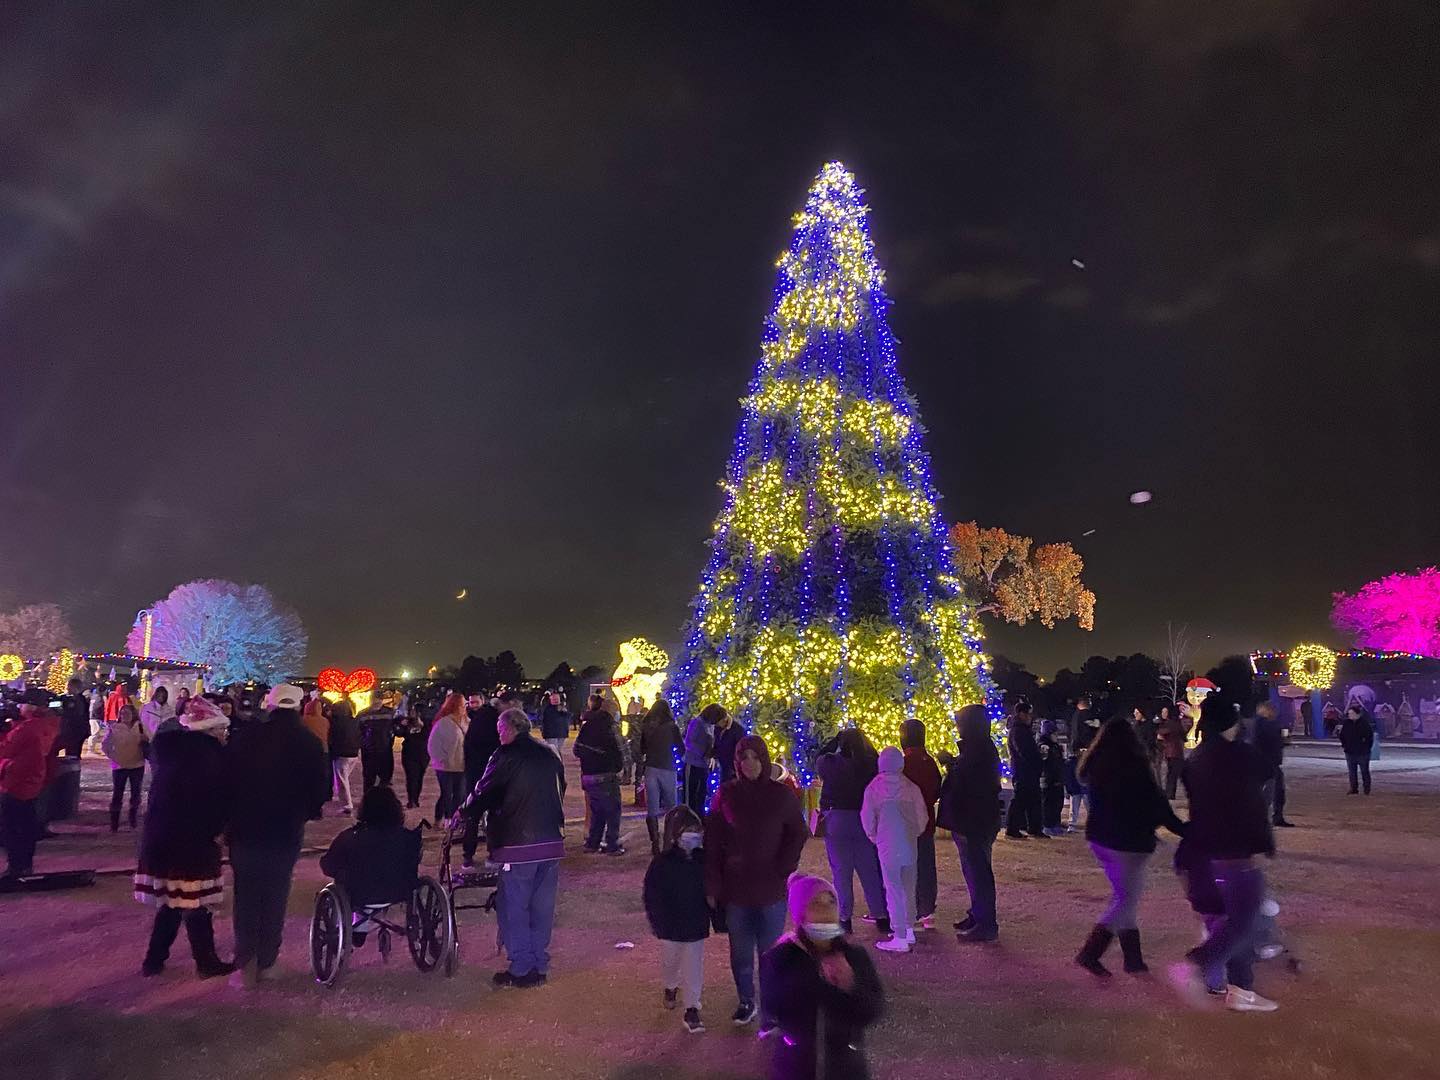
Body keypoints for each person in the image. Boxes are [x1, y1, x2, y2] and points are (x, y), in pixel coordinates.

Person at [1170, 695, 1278, 1012]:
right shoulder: (1235, 755)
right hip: (1234, 852)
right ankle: (1200, 963)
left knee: (1237, 921)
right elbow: (1268, 769)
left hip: (1203, 851)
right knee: (1245, 923)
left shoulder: (1199, 757)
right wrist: (1251, 735)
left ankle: (1240, 989)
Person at [223, 683, 331, 988]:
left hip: (244, 828)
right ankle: (268, 961)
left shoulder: (246, 737)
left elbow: (225, 780)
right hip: (284, 830)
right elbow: (321, 789)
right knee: (275, 892)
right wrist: (306, 810)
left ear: (269, 706)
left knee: (245, 894)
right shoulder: (308, 742)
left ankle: (245, 961)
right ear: (297, 707)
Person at [454, 706, 566, 989]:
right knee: (542, 906)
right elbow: (559, 789)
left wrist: (463, 813)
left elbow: (484, 791)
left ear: (506, 730)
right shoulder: (549, 755)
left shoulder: (505, 755)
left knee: (513, 904)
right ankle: (539, 962)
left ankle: (522, 967)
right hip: (552, 841)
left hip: (518, 844)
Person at [704, 735, 808, 1034]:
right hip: (737, 891)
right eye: (743, 758)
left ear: (763, 759)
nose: (749, 763)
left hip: (770, 890)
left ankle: (772, 1008)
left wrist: (784, 866)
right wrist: (713, 882)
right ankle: (747, 1000)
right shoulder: (726, 795)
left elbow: (797, 832)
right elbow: (713, 841)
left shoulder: (781, 796)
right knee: (740, 954)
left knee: (770, 954)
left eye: (754, 757)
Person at [1074, 716, 1185, 977]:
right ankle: (1091, 953)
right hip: (1129, 844)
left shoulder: (1094, 766)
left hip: (1101, 840)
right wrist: (1187, 831)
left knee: (1125, 897)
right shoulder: (1136, 768)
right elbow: (1159, 808)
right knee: (1125, 899)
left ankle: (1133, 960)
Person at [133, 697, 234, 978]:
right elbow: (214, 801)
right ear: (209, 729)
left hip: (162, 837)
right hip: (192, 841)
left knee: (171, 902)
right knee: (195, 903)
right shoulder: (209, 758)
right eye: (221, 730)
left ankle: (154, 960)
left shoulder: (169, 751)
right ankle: (206, 961)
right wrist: (218, 830)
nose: (224, 735)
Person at [760, 873, 884, 1080]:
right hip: (796, 1069)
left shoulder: (854, 955)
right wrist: (819, 981)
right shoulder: (780, 956)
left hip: (847, 1069)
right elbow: (773, 1006)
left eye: (831, 902)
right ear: (800, 914)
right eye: (816, 903)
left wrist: (849, 985)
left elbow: (871, 1011)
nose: (826, 910)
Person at [936, 705, 1002, 943]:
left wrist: (951, 765)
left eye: (961, 722)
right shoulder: (978, 748)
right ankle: (978, 914)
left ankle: (986, 923)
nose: (957, 727)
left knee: (979, 871)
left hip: (975, 820)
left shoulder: (979, 750)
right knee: (972, 870)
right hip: (972, 819)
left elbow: (970, 783)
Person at [642, 805, 710, 1034]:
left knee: (693, 966)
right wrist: (657, 920)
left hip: (695, 924)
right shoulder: (663, 863)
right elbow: (651, 894)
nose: (693, 835)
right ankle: (670, 986)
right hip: (670, 925)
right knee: (671, 961)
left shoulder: (703, 861)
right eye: (687, 830)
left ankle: (692, 1007)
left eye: (696, 830)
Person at [814, 729, 888, 935]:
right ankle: (880, 914)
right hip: (863, 818)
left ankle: (844, 918)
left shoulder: (830, 763)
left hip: (836, 819)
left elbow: (819, 756)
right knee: (869, 870)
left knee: (841, 872)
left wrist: (833, 741)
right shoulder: (871, 764)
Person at [319, 785, 422, 921]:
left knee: (346, 877)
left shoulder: (350, 837)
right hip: (400, 890)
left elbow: (328, 867)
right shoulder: (408, 838)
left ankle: (356, 926)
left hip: (360, 893)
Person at [861, 746, 928, 953]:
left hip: (887, 843)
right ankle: (908, 928)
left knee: (893, 888)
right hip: (909, 843)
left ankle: (899, 934)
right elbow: (922, 817)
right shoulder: (911, 787)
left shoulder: (874, 788)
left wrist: (873, 835)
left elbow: (867, 817)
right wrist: (913, 832)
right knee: (909, 885)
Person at [0, 702, 59, 880]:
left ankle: (16, 866)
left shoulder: (26, 729)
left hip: (16, 782)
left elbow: (6, 749)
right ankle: (25, 865)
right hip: (33, 781)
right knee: (26, 826)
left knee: (12, 827)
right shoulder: (46, 725)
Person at [899, 719, 942, 929]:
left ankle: (913, 910)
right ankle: (927, 910)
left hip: (906, 824)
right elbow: (936, 789)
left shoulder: (903, 762)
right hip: (926, 821)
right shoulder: (929, 761)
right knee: (926, 864)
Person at [574, 693, 626, 855]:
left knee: (597, 810)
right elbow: (621, 751)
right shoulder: (611, 727)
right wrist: (620, 768)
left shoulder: (587, 725)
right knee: (612, 811)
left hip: (589, 775)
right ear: (612, 712)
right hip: (607, 774)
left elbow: (577, 749)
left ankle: (592, 843)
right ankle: (612, 844)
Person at [639, 698, 684, 854]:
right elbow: (681, 747)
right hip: (667, 767)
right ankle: (669, 840)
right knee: (671, 806)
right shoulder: (672, 727)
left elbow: (642, 748)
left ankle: (654, 842)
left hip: (650, 767)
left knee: (652, 808)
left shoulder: (646, 726)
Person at [462, 692, 503, 864]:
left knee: (473, 815)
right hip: (491, 775)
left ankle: (468, 855)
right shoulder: (495, 722)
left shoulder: (477, 721)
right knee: (494, 815)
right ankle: (493, 853)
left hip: (474, 774)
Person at [101, 702, 147, 831]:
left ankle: (133, 818)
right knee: (117, 793)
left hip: (137, 764)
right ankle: (114, 822)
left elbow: (151, 739)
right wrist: (113, 757)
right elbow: (105, 745)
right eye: (122, 713)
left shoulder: (140, 727)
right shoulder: (114, 727)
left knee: (135, 793)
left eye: (127, 713)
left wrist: (146, 739)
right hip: (119, 766)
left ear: (133, 714)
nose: (125, 715)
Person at [1005, 701, 1046, 839]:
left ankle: (1034, 828)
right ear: (1022, 714)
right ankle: (1012, 829)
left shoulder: (1021, 729)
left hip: (1027, 770)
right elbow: (1025, 751)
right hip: (1024, 770)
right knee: (1020, 799)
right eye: (1029, 713)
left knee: (1033, 799)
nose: (1031, 717)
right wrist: (1035, 761)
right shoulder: (1018, 730)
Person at [428, 691, 468, 820]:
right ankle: (444, 819)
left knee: (460, 794)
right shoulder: (443, 722)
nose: (464, 707)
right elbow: (433, 745)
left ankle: (455, 819)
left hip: (461, 765)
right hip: (445, 766)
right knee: (446, 794)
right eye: (462, 704)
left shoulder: (466, 721)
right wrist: (441, 759)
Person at [1253, 702, 1293, 826]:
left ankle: (1270, 817)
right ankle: (1269, 817)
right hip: (1269, 762)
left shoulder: (1255, 724)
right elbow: (1274, 743)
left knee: (1270, 791)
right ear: (1267, 711)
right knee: (1273, 792)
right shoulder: (1267, 725)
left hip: (1261, 762)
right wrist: (1283, 740)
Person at [1065, 694, 1102, 829]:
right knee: (1086, 790)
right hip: (1086, 754)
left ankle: (1072, 823)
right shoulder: (1088, 716)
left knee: (1076, 792)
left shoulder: (1074, 717)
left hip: (1075, 753)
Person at [683, 703, 725, 817]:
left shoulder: (710, 725)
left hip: (704, 764)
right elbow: (688, 742)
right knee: (691, 794)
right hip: (693, 763)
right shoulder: (696, 723)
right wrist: (702, 753)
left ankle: (700, 817)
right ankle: (689, 818)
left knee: (702, 793)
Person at [327, 698, 361, 815]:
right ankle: (346, 802)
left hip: (342, 753)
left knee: (341, 780)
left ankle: (347, 804)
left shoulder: (335, 722)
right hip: (354, 752)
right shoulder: (354, 721)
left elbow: (333, 738)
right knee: (343, 778)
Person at [358, 695, 397, 792]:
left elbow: (395, 728)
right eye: (375, 698)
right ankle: (368, 799)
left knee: (385, 777)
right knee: (369, 777)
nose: (377, 701)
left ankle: (384, 799)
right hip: (369, 750)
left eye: (379, 698)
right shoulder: (363, 714)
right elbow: (359, 731)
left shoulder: (390, 713)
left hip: (385, 749)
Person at [398, 698, 431, 809]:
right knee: (411, 777)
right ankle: (411, 800)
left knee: (419, 777)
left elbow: (428, 736)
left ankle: (415, 799)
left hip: (423, 754)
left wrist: (422, 726)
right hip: (409, 753)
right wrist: (402, 725)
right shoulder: (408, 722)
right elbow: (399, 734)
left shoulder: (427, 723)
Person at [1335, 704, 1374, 795]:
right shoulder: (1347, 723)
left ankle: (1366, 789)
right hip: (1350, 752)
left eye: (1351, 713)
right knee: (1352, 772)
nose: (1349, 715)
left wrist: (1366, 748)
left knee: (1364, 771)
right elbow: (1342, 736)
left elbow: (1369, 738)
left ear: (1357, 714)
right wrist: (1345, 746)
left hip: (1362, 753)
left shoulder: (1364, 724)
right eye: (1349, 714)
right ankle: (1354, 788)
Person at [1037, 719, 1067, 836]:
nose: (1056, 736)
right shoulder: (1044, 746)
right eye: (1054, 733)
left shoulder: (1055, 746)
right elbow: (1044, 763)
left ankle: (1055, 824)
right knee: (1049, 803)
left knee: (1057, 802)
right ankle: (1048, 825)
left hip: (1057, 778)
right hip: (1048, 779)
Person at [1156, 703, 1190, 800]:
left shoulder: (1166, 724)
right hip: (1177, 752)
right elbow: (1185, 738)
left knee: (1170, 774)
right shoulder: (1177, 724)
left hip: (1168, 752)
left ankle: (1169, 794)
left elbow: (1160, 735)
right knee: (1174, 774)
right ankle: (1170, 794)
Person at [57, 678, 90, 758]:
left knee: (72, 753)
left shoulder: (73, 699)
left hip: (72, 730)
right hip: (78, 730)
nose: (67, 687)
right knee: (74, 753)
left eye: (68, 685)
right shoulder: (82, 699)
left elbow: (75, 714)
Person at [713, 707, 742, 786]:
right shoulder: (717, 728)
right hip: (723, 765)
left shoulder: (737, 730)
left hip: (733, 768)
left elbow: (741, 750)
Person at [539, 691, 570, 756]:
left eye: (557, 699)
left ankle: (558, 764)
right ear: (550, 700)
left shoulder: (563, 708)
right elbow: (544, 718)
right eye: (554, 699)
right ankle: (557, 764)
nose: (556, 701)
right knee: (554, 752)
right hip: (551, 734)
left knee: (557, 751)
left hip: (561, 733)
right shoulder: (547, 708)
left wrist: (565, 712)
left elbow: (567, 718)